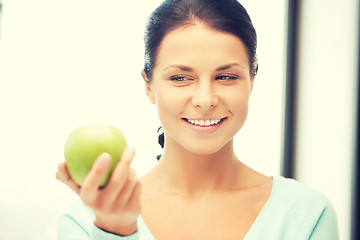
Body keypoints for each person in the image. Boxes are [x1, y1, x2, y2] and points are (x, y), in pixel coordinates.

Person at [56, 0, 339, 239]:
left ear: (251, 80)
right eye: (180, 78)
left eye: (226, 77)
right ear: (148, 86)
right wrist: (116, 231)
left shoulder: (307, 215)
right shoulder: (86, 222)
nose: (205, 99)